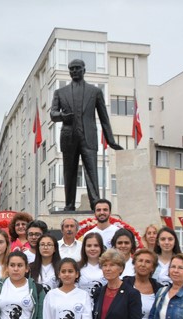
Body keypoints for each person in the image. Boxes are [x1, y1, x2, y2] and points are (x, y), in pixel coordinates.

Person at [50, 59, 122, 211]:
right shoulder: (60, 93)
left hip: (88, 137)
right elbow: (53, 114)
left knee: (92, 170)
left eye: (77, 68)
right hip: (69, 137)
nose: (74, 71)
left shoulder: (95, 91)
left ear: (84, 70)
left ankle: (95, 203)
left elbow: (104, 117)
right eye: (72, 69)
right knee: (69, 172)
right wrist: (62, 116)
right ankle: (69, 204)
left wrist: (110, 140)